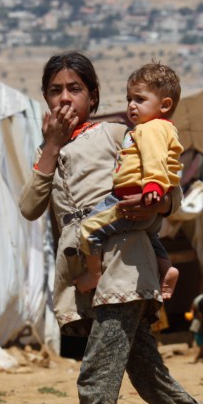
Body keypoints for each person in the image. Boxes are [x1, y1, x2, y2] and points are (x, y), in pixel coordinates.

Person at [18, 51, 203, 404]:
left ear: (93, 95)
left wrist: (152, 204)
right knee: (149, 376)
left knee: (98, 373)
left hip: (123, 267)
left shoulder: (119, 134)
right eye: (55, 90)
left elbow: (168, 186)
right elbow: (29, 207)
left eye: (74, 88)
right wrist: (50, 146)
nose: (65, 97)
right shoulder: (51, 150)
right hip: (89, 273)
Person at [73, 63, 182, 300]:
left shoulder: (150, 130)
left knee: (88, 229)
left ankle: (93, 274)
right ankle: (166, 269)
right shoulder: (160, 129)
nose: (131, 105)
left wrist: (152, 186)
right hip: (147, 198)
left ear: (164, 105)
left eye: (140, 99)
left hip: (129, 197)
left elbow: (155, 160)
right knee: (152, 237)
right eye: (129, 98)